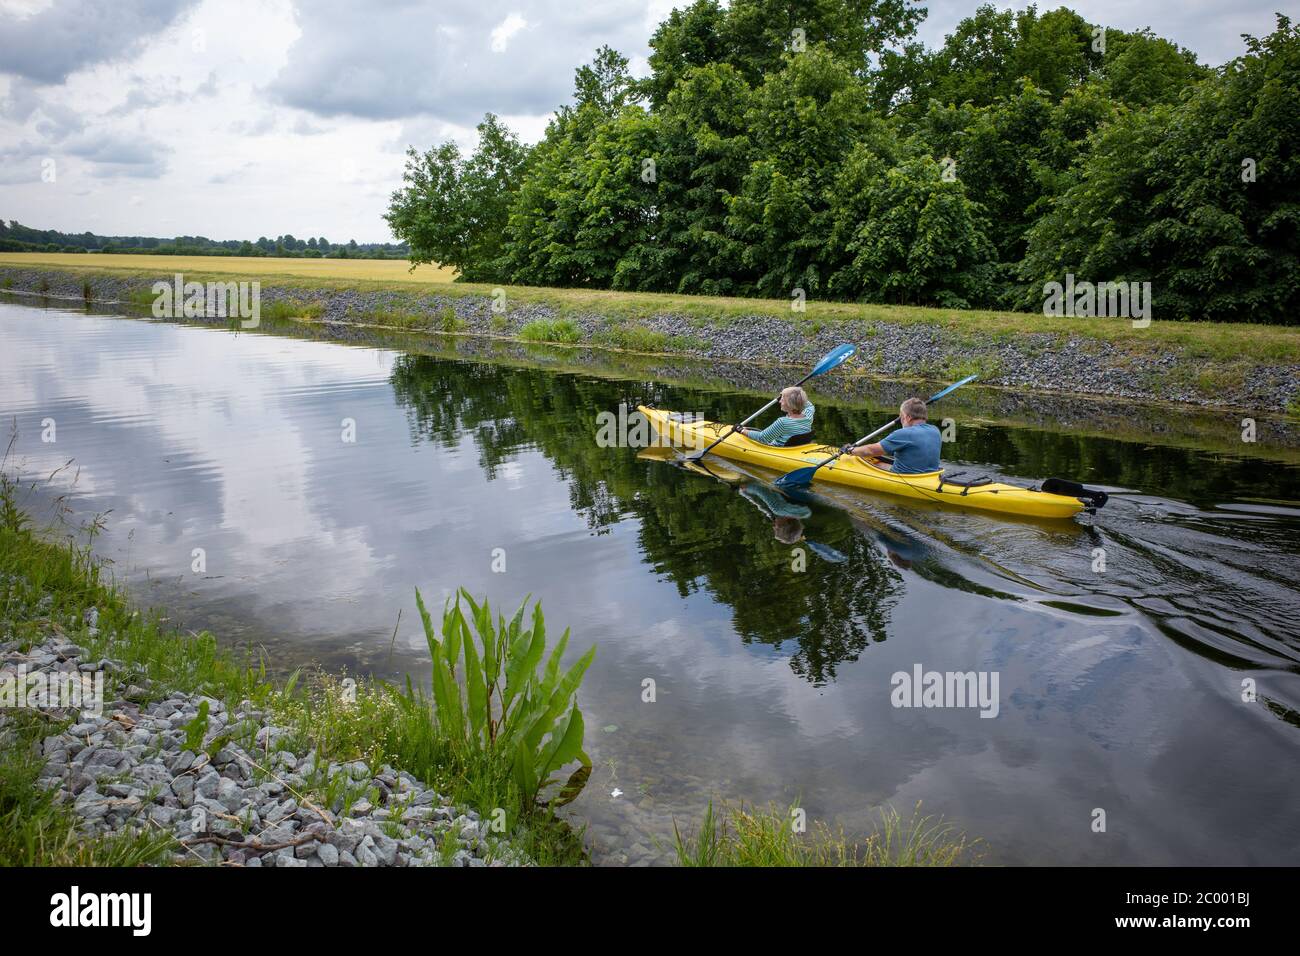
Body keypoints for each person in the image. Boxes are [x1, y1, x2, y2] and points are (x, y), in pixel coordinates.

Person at [842, 397, 941, 474]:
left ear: (908, 417)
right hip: (929, 475)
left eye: (901, 417)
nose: (901, 420)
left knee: (871, 462)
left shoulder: (903, 434)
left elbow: (871, 450)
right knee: (879, 463)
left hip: (905, 478)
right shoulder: (935, 430)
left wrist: (851, 450)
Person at [739, 386, 815, 446]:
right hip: (797, 448)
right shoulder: (808, 415)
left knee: (757, 436)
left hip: (779, 450)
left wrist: (742, 431)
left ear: (790, 404)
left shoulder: (783, 422)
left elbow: (762, 438)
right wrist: (796, 392)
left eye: (783, 399)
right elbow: (808, 405)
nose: (779, 401)